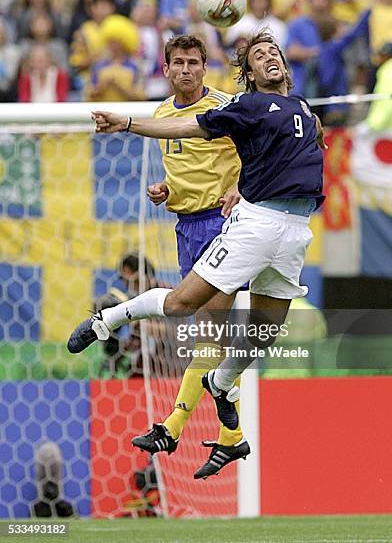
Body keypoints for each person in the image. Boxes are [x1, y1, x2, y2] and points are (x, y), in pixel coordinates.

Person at [69, 30, 326, 478]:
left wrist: (243, 181)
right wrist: (128, 124)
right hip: (253, 224)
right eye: (260, 55)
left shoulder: (302, 107)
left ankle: (221, 389)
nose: (271, 58)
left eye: (275, 53)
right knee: (185, 308)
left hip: (294, 230)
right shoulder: (242, 106)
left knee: (264, 332)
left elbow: (309, 136)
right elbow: (190, 127)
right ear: (248, 75)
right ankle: (106, 321)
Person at [70, 34, 248, 478]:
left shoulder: (226, 107)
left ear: (205, 67)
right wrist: (168, 191)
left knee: (205, 324)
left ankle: (176, 425)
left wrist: (238, 188)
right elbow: (186, 173)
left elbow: (258, 156)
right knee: (209, 333)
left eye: (193, 62)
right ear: (166, 70)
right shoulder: (165, 115)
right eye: (178, 63)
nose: (186, 69)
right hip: (187, 226)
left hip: (224, 224)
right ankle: (228, 436)